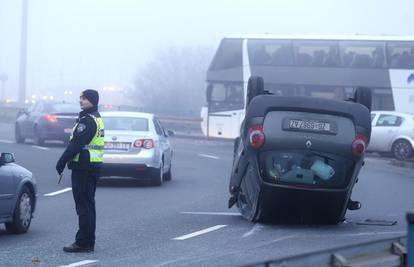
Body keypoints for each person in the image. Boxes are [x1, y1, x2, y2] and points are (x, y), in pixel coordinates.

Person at [56, 89, 105, 253]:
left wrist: (61, 161)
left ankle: (83, 242)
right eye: (80, 98)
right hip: (91, 166)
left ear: (92, 101)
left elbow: (76, 144)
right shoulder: (96, 118)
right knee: (88, 205)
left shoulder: (87, 121)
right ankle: (88, 241)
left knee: (83, 206)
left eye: (84, 98)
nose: (81, 101)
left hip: (84, 167)